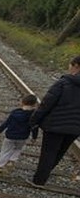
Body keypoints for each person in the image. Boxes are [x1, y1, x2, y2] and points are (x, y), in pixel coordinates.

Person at [27, 56, 80, 187]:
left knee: (48, 152)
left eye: (70, 65)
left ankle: (39, 180)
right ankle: (45, 173)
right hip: (75, 128)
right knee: (60, 151)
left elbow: (46, 103)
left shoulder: (64, 82)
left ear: (76, 66)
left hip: (55, 125)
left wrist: (34, 120)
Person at [0, 94, 39, 174]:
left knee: (5, 151)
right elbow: (34, 128)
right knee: (18, 149)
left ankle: (0, 166)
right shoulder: (34, 115)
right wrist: (34, 137)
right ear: (35, 105)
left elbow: (6, 123)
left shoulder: (15, 113)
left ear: (22, 103)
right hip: (23, 137)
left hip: (10, 136)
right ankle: (12, 160)